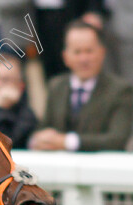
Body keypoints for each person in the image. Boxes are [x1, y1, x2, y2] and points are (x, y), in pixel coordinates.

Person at [30, 21, 133, 152]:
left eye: (89, 51)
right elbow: (43, 128)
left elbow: (117, 139)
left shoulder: (121, 90)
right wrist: (40, 139)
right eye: (77, 52)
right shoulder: (56, 86)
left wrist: (67, 142)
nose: (83, 59)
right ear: (65, 57)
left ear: (102, 53)